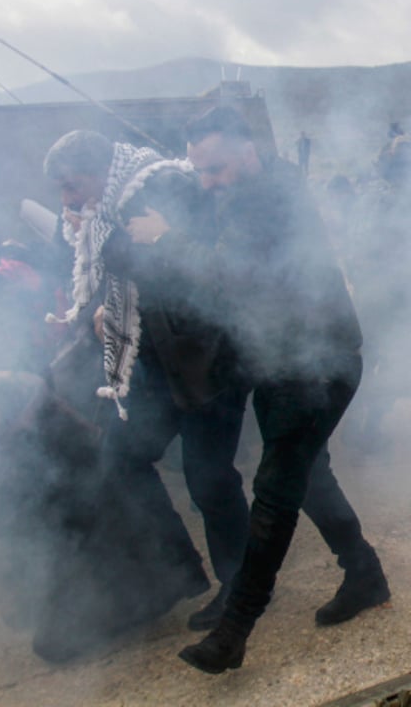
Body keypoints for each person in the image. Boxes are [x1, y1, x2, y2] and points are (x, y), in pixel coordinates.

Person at [125, 106, 389, 674]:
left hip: (317, 362)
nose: (209, 181)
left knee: (275, 488)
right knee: (309, 478)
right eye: (201, 171)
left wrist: (167, 238)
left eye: (217, 168)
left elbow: (234, 274)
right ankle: (364, 572)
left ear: (248, 151)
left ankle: (236, 628)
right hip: (278, 362)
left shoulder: (272, 196)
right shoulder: (239, 193)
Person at [44, 130, 248, 632]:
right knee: (120, 457)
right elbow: (111, 276)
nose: (69, 199)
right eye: (63, 190)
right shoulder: (110, 202)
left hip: (205, 356)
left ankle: (240, 586)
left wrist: (103, 237)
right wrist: (94, 300)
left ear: (99, 171)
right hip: (157, 360)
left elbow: (165, 270)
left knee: (209, 478)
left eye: (74, 186)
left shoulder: (159, 186)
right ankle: (177, 570)